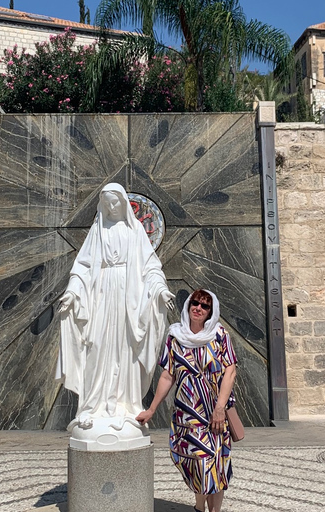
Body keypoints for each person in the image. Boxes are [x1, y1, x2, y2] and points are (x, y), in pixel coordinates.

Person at [57, 183, 174, 440]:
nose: (111, 208)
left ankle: (124, 403)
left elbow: (150, 267)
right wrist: (73, 293)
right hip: (101, 295)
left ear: (123, 203)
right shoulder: (97, 232)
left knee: (125, 349)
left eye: (115, 203)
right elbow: (83, 267)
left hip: (128, 296)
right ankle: (94, 405)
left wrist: (159, 290)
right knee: (96, 346)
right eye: (107, 203)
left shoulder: (134, 233)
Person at [136, 289, 237, 512]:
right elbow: (167, 375)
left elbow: (230, 371)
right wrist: (151, 409)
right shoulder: (175, 337)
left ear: (211, 311)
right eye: (195, 303)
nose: (198, 308)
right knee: (197, 463)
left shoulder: (220, 335)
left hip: (215, 412)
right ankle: (200, 505)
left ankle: (211, 510)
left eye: (205, 306)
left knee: (216, 463)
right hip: (187, 413)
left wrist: (220, 407)